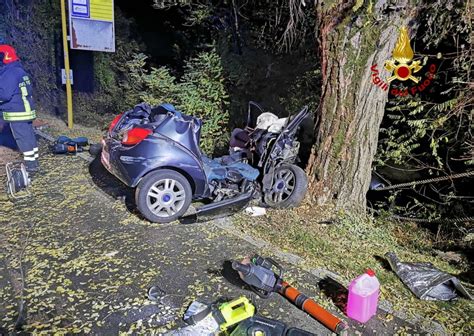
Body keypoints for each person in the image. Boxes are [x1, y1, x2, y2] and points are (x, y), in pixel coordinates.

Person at [0, 40, 39, 172]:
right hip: (26, 110)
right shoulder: (19, 70)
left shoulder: (8, 73)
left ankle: (31, 166)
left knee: (23, 139)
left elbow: (4, 94)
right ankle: (34, 162)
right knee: (29, 137)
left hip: (17, 112)